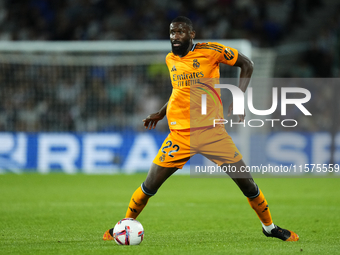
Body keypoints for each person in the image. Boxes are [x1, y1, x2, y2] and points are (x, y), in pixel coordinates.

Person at [103, 16, 299, 242]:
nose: (175, 36)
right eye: (172, 32)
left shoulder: (211, 51)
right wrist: (161, 112)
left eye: (180, 32)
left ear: (192, 34)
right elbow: (180, 90)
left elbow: (247, 64)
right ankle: (125, 223)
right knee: (149, 185)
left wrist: (238, 98)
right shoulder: (170, 59)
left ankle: (270, 227)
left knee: (247, 182)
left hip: (212, 133)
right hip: (180, 135)